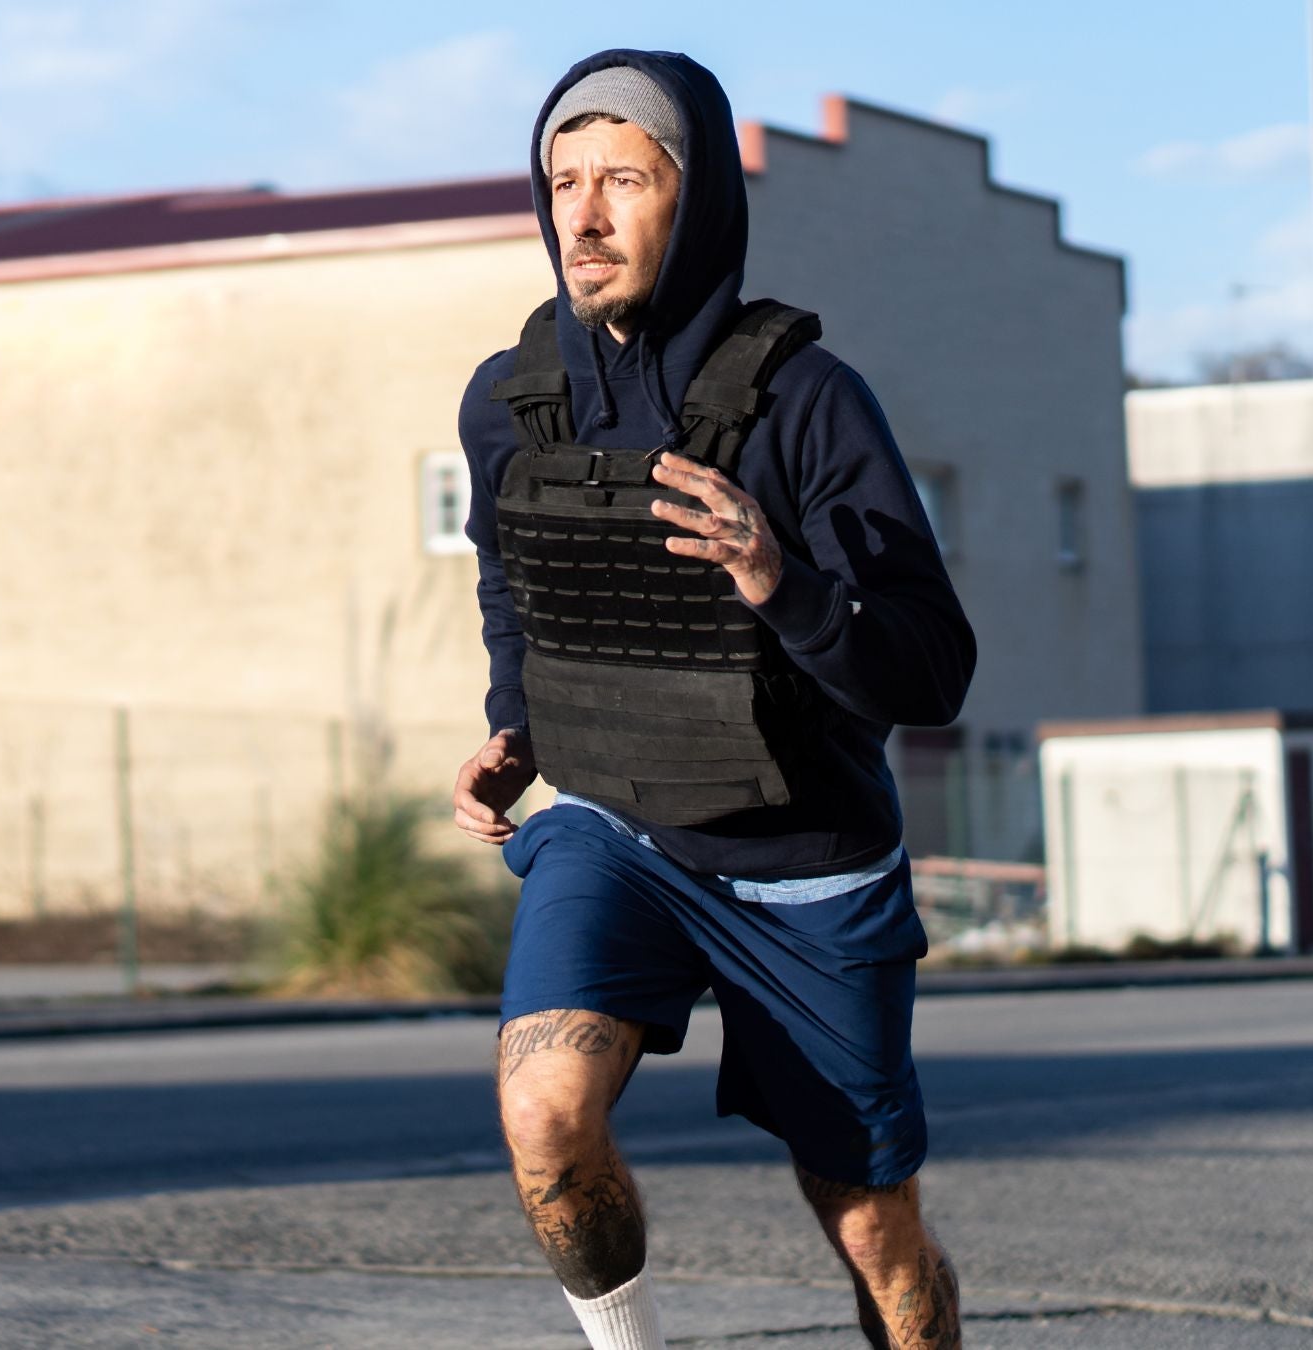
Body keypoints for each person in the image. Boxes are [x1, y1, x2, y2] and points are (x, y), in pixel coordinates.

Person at [451, 49, 976, 1350]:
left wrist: (774, 574)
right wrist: (514, 723)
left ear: (697, 199)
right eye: (562, 180)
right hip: (616, 824)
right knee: (543, 1110)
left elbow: (932, 668)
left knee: (871, 1222)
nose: (582, 215)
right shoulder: (511, 401)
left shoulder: (807, 401)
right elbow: (510, 579)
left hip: (808, 863)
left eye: (623, 178)